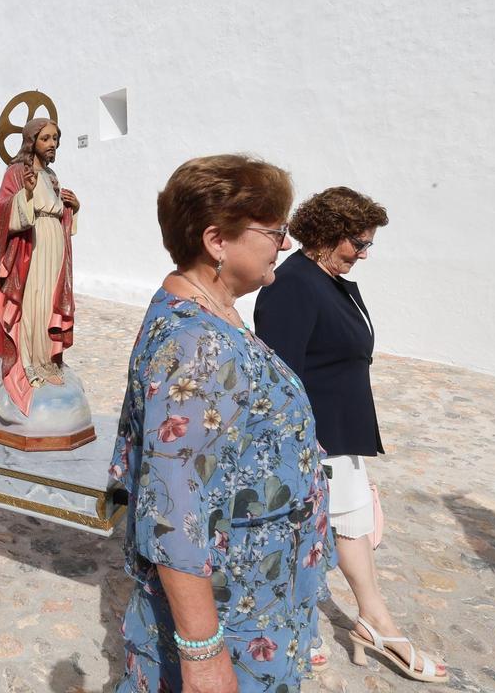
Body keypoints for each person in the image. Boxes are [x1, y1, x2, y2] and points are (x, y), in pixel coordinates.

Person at [111, 154, 332, 692]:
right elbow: (172, 508)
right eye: (275, 230)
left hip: (259, 596)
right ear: (217, 241)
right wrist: (204, 658)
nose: (284, 243)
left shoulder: (213, 313)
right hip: (234, 615)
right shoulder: (197, 345)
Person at [254, 188, 445, 683]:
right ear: (325, 235)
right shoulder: (292, 284)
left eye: (366, 246)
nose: (362, 255)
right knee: (305, 532)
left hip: (342, 431)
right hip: (315, 437)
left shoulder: (328, 279)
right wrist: (300, 445)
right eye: (356, 244)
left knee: (354, 523)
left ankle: (371, 619)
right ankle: (301, 626)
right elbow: (281, 373)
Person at [0, 119, 79, 407]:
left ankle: (49, 361)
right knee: (33, 303)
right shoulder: (18, 171)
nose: (52, 144)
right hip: (31, 246)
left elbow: (59, 214)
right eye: (46, 138)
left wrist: (73, 209)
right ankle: (29, 362)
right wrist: (26, 193)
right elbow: (0, 209)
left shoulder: (52, 176)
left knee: (51, 302)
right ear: (32, 141)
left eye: (55, 138)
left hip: (55, 245)